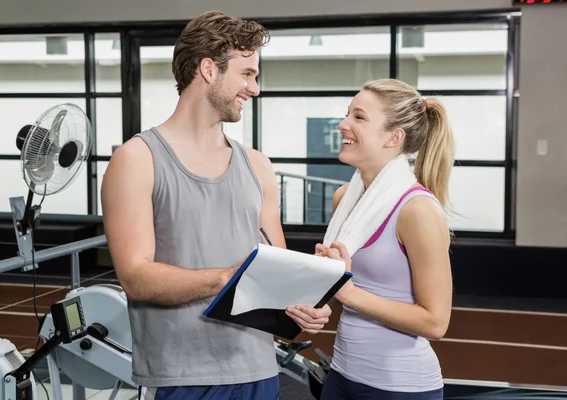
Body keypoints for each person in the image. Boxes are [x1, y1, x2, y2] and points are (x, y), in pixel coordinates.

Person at [100, 10, 331, 400]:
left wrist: (306, 302)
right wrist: (225, 279)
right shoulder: (137, 160)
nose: (254, 88)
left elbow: (277, 269)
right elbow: (136, 278)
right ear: (209, 69)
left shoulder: (258, 165)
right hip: (183, 378)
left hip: (259, 368)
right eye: (247, 74)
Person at [315, 78, 455, 400]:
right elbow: (344, 290)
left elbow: (436, 323)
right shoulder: (344, 199)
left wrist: (348, 293)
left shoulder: (417, 210)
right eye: (347, 114)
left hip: (401, 387)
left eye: (359, 117)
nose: (342, 124)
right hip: (341, 374)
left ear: (394, 137)